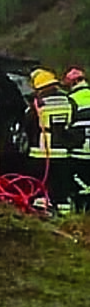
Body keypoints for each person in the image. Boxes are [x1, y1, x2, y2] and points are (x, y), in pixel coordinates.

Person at [26, 68, 74, 212]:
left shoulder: (38, 103)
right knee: (61, 184)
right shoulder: (68, 100)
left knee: (41, 183)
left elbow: (29, 124)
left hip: (42, 150)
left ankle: (42, 209)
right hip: (63, 150)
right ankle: (64, 210)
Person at [64, 67, 90, 211]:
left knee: (78, 182)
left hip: (80, 147)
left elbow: (67, 124)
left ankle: (80, 209)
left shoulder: (71, 100)